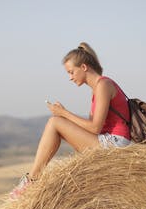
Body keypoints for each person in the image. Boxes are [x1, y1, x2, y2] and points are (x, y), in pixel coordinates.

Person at [9, 42, 131, 200]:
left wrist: (64, 114)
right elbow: (92, 129)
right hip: (108, 141)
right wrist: (65, 118)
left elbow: (94, 128)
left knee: (55, 122)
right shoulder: (98, 89)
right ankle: (33, 179)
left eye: (71, 72)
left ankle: (32, 180)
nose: (70, 78)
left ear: (84, 67)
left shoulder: (103, 85)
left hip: (115, 144)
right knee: (57, 122)